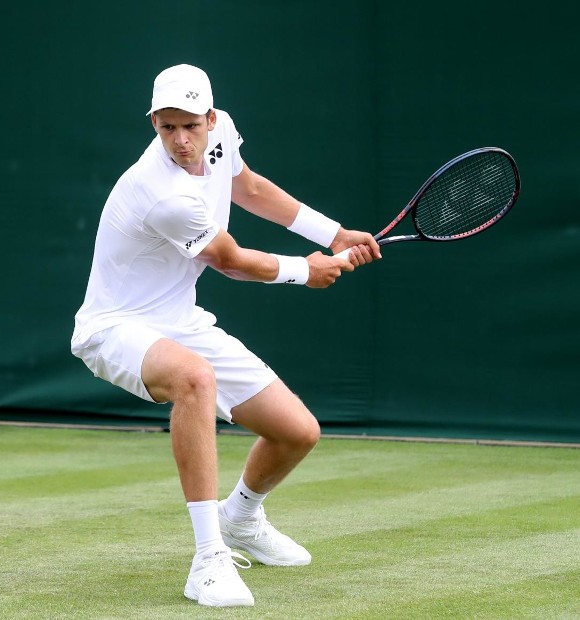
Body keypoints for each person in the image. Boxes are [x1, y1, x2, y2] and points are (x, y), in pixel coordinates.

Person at [70, 64, 381, 607]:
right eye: (166, 127)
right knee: (195, 378)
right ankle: (208, 559)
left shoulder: (221, 136)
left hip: (180, 319)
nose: (181, 140)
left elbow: (251, 187)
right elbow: (230, 261)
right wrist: (303, 270)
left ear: (212, 119)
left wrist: (333, 234)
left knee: (297, 432)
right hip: (114, 327)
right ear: (154, 123)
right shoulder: (161, 192)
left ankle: (239, 519)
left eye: (190, 125)